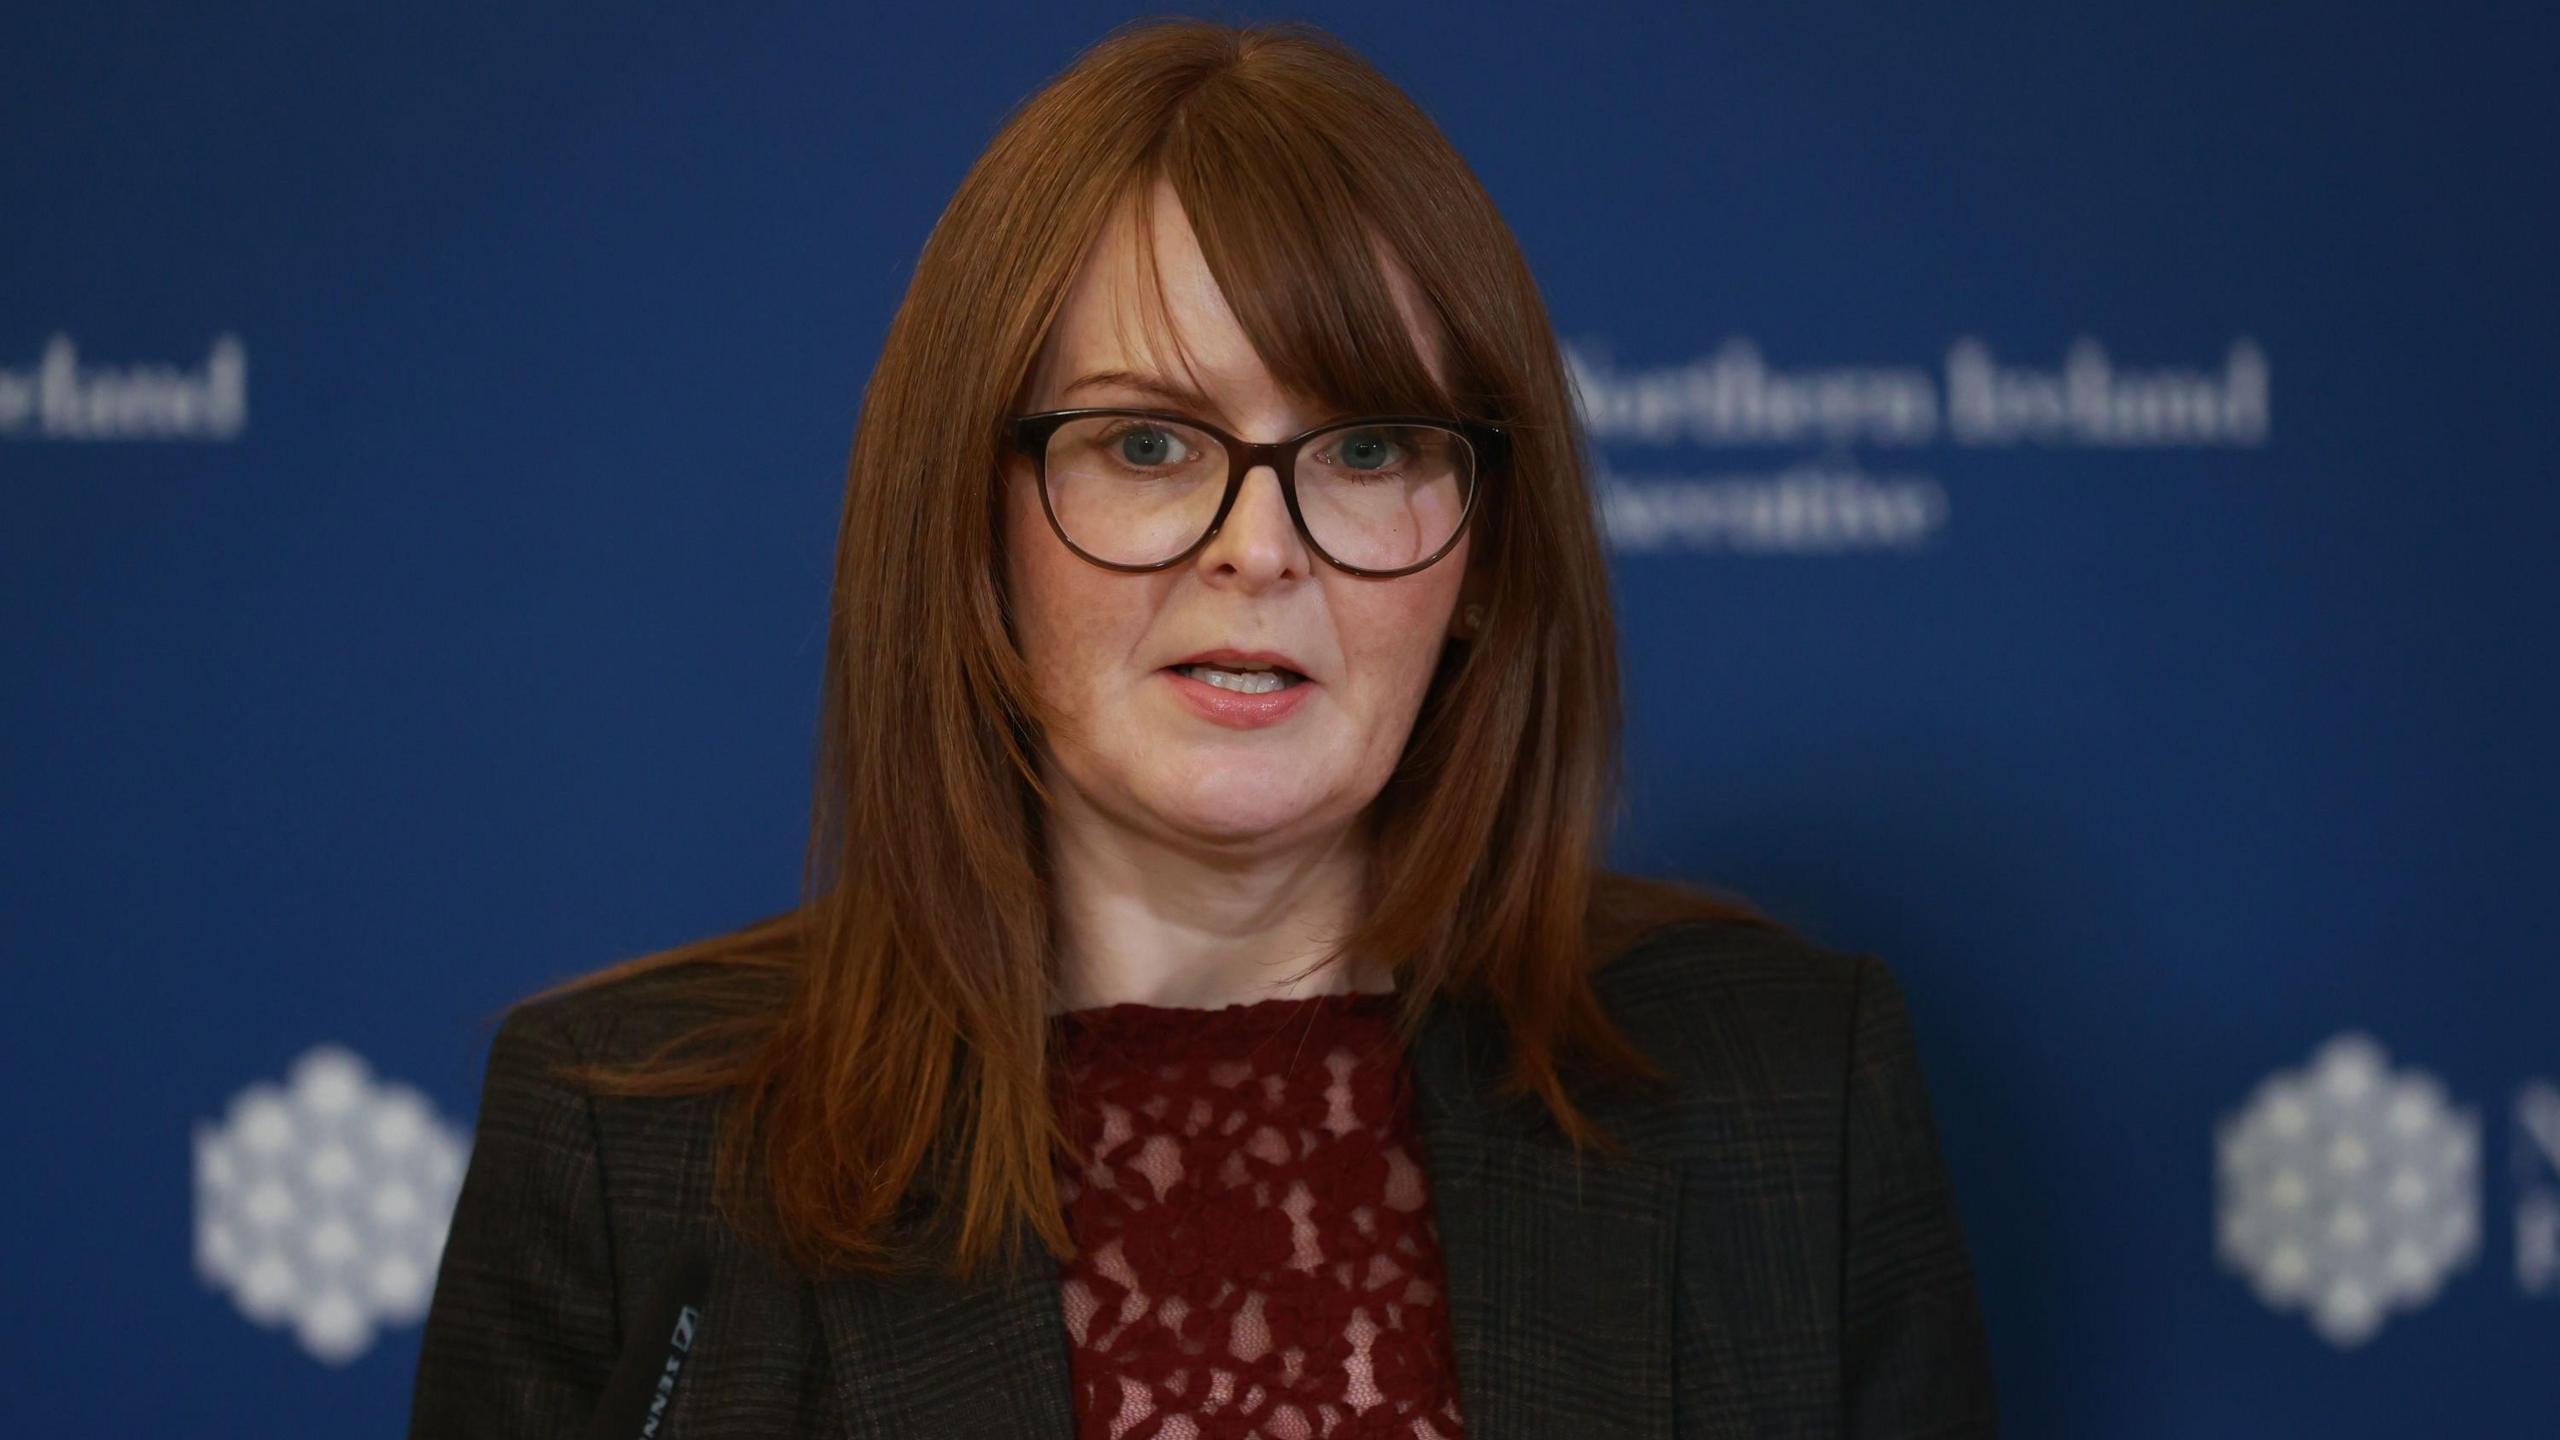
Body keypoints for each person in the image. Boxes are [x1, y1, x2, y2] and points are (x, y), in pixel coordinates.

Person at [409, 17, 1997, 1439]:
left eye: (1367, 446)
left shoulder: (1792, 1095)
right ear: (977, 527)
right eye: (1150, 442)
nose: (1260, 545)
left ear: (1486, 557)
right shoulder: (634, 1154)